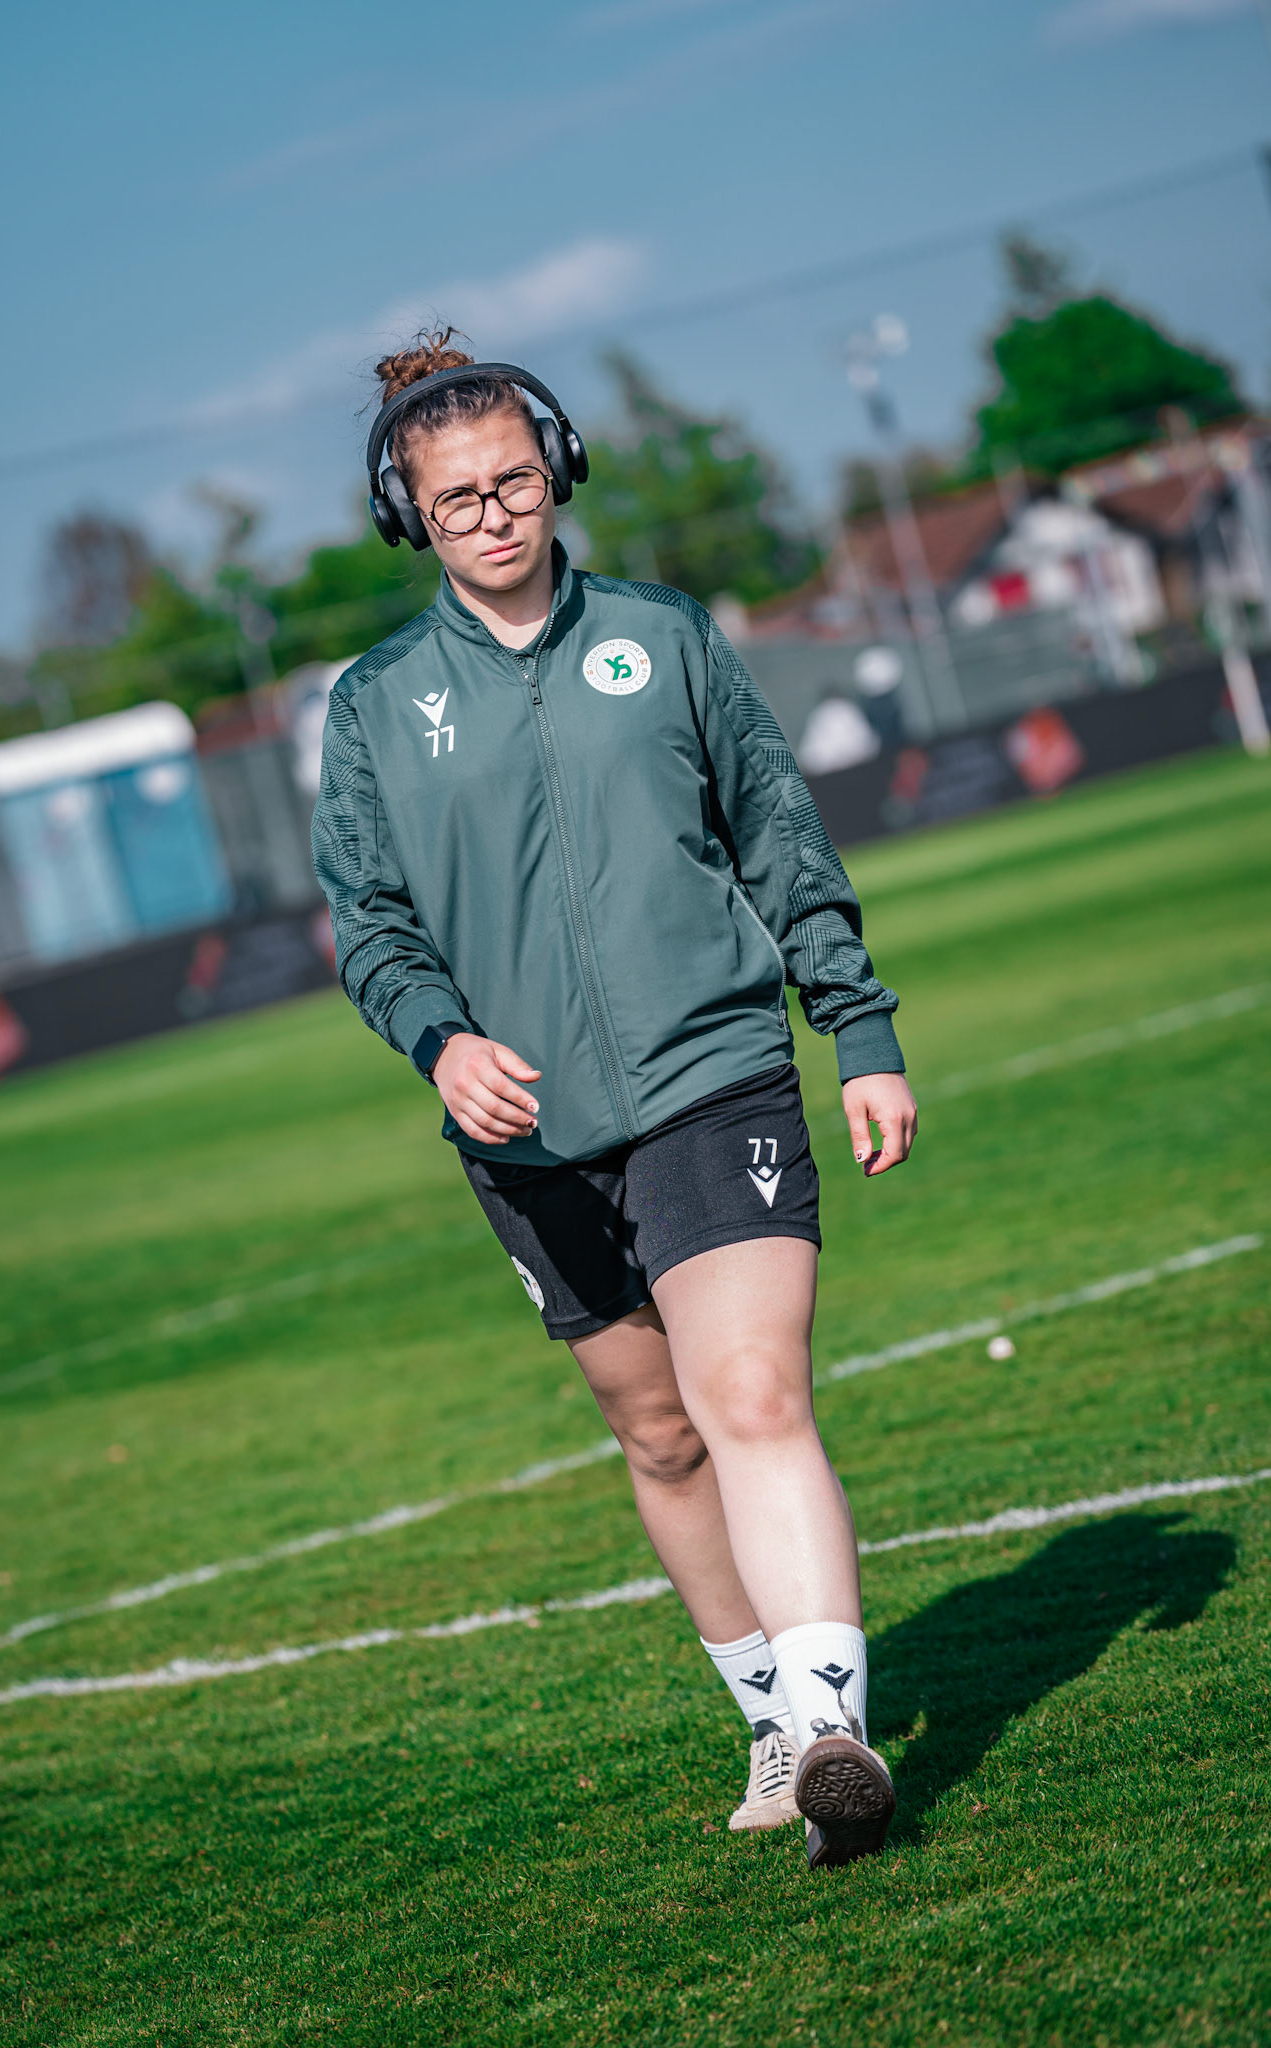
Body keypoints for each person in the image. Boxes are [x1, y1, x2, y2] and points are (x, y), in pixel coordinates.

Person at [312, 330, 919, 1871]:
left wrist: (856, 1029)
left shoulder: (662, 634)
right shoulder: (376, 704)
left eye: (512, 480)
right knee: (657, 1435)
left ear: (558, 470)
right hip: (517, 1134)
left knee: (753, 1394)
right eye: (455, 500)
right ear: (411, 516)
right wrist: (439, 1036)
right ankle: (770, 1723)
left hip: (713, 1071)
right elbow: (368, 919)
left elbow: (777, 835)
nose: (492, 515)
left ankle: (836, 1723)